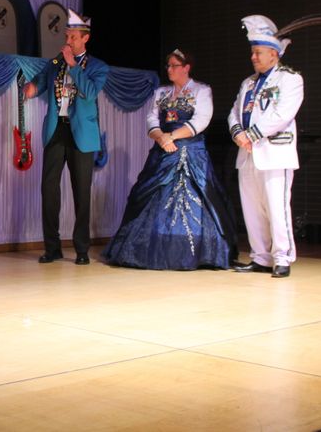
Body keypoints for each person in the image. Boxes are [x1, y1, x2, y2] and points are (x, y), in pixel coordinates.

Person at [103, 49, 237, 269]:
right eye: (168, 66)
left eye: (174, 65)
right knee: (150, 194)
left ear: (186, 68)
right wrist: (161, 138)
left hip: (190, 149)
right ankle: (147, 248)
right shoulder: (161, 92)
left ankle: (196, 252)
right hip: (163, 149)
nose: (169, 69)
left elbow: (202, 119)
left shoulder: (201, 90)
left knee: (196, 194)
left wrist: (172, 136)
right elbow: (151, 118)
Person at [23, 9, 109, 265]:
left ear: (85, 39)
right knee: (48, 189)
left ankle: (82, 249)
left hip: (81, 133)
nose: (68, 41)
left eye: (73, 37)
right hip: (56, 129)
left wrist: (73, 65)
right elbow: (40, 80)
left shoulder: (98, 67)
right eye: (67, 36)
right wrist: (32, 88)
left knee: (81, 191)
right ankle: (52, 248)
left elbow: (90, 92)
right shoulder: (55, 63)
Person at [229, 15, 304, 278]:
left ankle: (282, 257)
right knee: (252, 209)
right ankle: (260, 257)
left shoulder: (290, 79)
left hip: (274, 153)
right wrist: (238, 134)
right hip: (247, 153)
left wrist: (251, 135)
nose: (253, 57)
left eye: (258, 52)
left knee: (276, 207)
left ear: (274, 53)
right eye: (252, 52)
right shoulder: (248, 83)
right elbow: (234, 113)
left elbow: (282, 114)